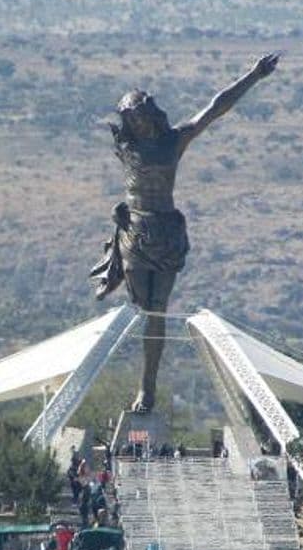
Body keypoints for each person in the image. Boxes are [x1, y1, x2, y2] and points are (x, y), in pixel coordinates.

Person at [89, 53, 281, 413]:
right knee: (144, 311)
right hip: (133, 232)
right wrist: (119, 209)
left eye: (143, 114)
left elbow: (214, 109)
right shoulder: (126, 146)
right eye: (133, 117)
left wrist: (253, 75)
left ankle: (148, 389)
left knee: (157, 311)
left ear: (151, 114)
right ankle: (145, 384)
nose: (140, 121)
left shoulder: (172, 142)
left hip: (165, 234)